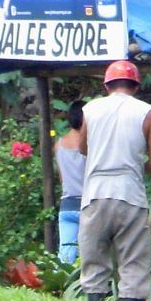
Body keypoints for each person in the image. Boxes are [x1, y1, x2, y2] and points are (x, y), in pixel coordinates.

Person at [78, 58, 151, 301]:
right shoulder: (147, 113)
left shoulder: (90, 109)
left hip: (95, 193)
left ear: (107, 86)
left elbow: (83, 148)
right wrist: (137, 167)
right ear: (136, 86)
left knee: (94, 259)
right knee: (133, 261)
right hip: (130, 194)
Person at [55, 101, 85, 265]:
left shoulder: (58, 145)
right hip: (89, 206)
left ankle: (60, 281)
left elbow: (62, 179)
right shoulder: (90, 145)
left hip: (66, 205)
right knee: (93, 254)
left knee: (66, 257)